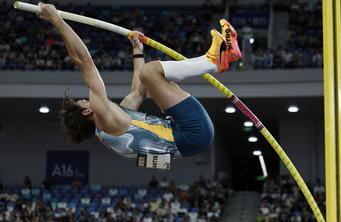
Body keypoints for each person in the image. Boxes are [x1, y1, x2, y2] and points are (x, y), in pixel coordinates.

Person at [36, 3, 241, 161]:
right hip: (191, 133)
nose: (88, 99)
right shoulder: (103, 114)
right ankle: (213, 61)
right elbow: (83, 61)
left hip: (191, 137)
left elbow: (138, 92)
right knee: (151, 72)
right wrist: (57, 20)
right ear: (88, 111)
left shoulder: (110, 127)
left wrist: (137, 52)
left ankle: (214, 60)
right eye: (85, 101)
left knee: (148, 73)